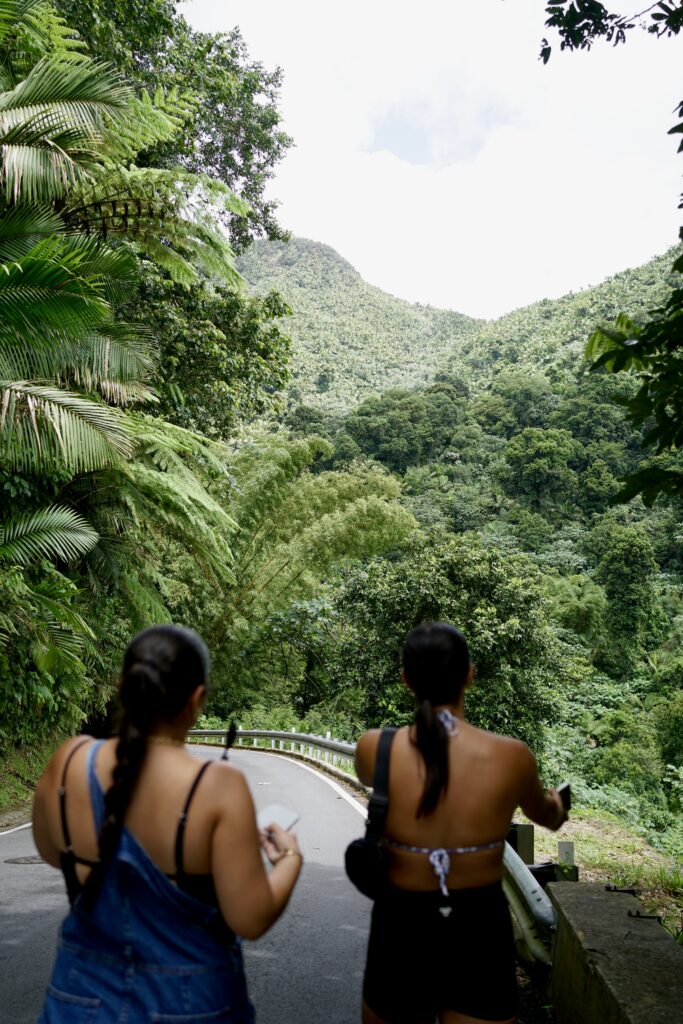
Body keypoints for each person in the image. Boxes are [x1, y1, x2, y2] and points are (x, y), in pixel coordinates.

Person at [32, 624, 302, 1023]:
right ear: (197, 699)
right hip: (192, 1004)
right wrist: (291, 858)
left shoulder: (71, 760)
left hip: (78, 997)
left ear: (124, 685)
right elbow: (250, 917)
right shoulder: (217, 787)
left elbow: (53, 853)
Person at [355, 622, 567, 1024]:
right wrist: (557, 804)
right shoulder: (512, 756)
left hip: (400, 924)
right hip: (478, 925)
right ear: (469, 674)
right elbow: (547, 816)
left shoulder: (374, 748)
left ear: (405, 680)